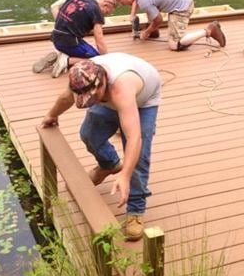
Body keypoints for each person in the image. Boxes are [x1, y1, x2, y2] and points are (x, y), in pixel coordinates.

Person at [40, 53, 161, 241]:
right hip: (112, 97)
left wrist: (126, 175)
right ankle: (109, 165)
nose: (91, 101)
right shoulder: (81, 76)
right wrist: (52, 115)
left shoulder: (121, 89)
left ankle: (136, 209)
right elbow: (66, 98)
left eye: (93, 97)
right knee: (89, 134)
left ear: (103, 82)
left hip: (143, 100)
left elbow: (134, 137)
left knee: (139, 156)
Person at [113, 0, 226, 51]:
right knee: (151, 6)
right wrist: (132, 13)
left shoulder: (144, 1)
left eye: (124, 3)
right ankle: (154, 32)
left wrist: (146, 32)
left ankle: (210, 30)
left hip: (182, 6)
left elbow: (159, 20)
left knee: (174, 45)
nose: (125, 5)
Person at [32, 0, 117, 78]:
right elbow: (99, 40)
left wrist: (63, 23)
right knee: (96, 60)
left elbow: (54, 6)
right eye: (107, 12)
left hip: (56, 38)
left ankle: (64, 56)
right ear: (106, 5)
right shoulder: (96, 12)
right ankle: (66, 60)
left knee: (85, 49)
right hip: (70, 43)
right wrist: (106, 59)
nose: (105, 15)